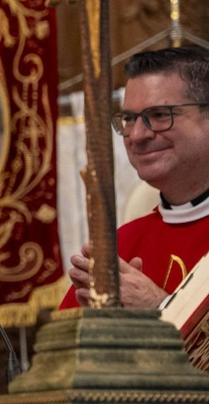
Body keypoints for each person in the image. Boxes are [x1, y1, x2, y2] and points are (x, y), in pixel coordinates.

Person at [64, 46, 209, 310]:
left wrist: (160, 308)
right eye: (129, 119)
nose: (138, 135)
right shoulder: (120, 247)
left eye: (160, 115)